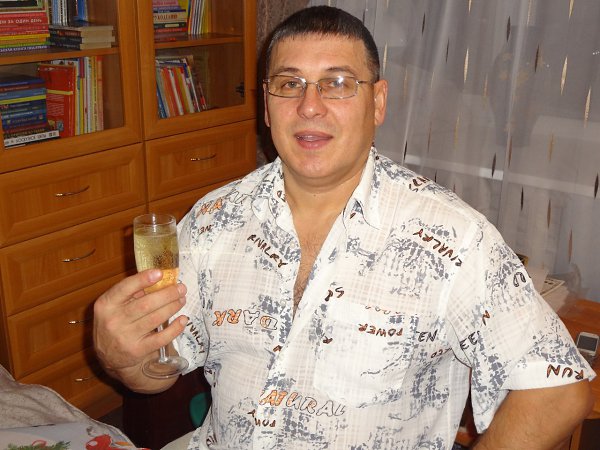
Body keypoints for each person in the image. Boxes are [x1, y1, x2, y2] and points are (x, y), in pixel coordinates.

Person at [94, 6, 595, 450]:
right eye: (289, 84)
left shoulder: (454, 239)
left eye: (336, 83)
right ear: (266, 104)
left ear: (378, 102)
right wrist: (122, 358)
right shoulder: (210, 221)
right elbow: (159, 371)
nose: (309, 106)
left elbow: (559, 390)